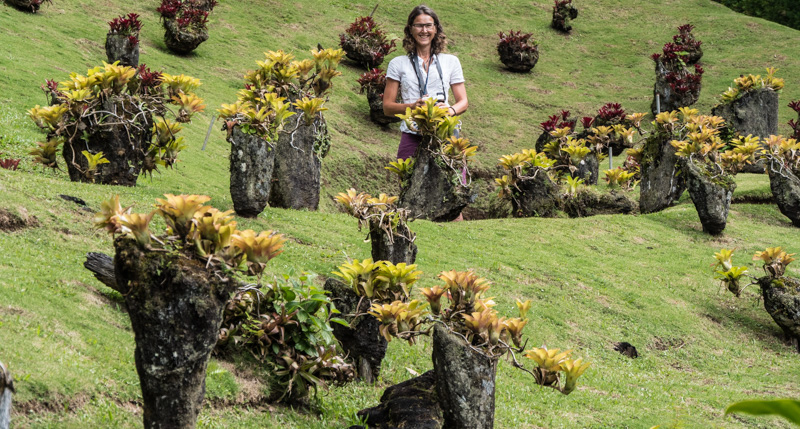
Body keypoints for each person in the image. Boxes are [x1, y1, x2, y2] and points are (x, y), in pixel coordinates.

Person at [383, 4, 469, 161]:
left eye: (428, 25)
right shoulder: (398, 63)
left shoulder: (451, 61)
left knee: (453, 182)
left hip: (445, 132)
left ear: (435, 29)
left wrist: (449, 110)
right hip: (413, 133)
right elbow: (387, 107)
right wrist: (412, 107)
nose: (424, 31)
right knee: (408, 182)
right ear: (410, 29)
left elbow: (463, 102)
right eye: (419, 26)